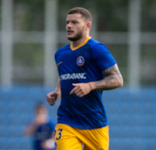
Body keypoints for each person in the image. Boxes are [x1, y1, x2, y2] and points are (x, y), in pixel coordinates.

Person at [46, 7, 123, 150]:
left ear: (88, 25)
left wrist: (90, 86)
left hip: (94, 122)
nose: (69, 26)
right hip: (67, 120)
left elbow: (118, 79)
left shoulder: (96, 48)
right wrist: (57, 92)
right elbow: (65, 75)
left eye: (74, 22)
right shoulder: (60, 54)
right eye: (67, 22)